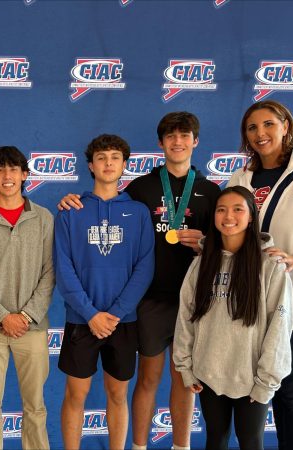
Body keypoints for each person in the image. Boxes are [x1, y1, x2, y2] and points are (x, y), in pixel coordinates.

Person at [59, 112, 220, 449]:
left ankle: (181, 445)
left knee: (184, 378)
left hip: (192, 300)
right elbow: (69, 262)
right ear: (161, 143)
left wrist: (206, 241)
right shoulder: (139, 190)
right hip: (144, 303)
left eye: (184, 135)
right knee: (144, 378)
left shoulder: (210, 191)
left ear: (195, 141)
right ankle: (139, 445)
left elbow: (224, 243)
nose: (177, 141)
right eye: (170, 136)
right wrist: (94, 313)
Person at [228, 100, 293, 450]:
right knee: (255, 399)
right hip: (251, 306)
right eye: (252, 128)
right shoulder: (240, 178)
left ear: (286, 126)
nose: (260, 134)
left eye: (268, 124)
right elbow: (231, 229)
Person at [173, 186, 293, 450]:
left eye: (238, 209)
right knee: (215, 439)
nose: (229, 216)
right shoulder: (202, 263)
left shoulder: (270, 265)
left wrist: (266, 381)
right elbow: (186, 315)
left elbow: (279, 327)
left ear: (251, 216)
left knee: (251, 441)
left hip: (251, 378)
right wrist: (185, 367)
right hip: (208, 373)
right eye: (221, 210)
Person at [55, 134, 155, 450]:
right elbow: (63, 268)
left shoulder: (138, 212)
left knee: (117, 394)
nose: (108, 162)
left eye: (114, 157)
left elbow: (144, 267)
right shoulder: (70, 210)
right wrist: (90, 314)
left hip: (122, 322)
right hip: (81, 320)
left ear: (125, 165)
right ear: (91, 165)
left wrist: (114, 313)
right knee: (76, 395)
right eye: (101, 157)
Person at [0, 146, 54, 450]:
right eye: (0, 170)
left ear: (25, 175)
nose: (7, 176)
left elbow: (49, 274)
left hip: (33, 327)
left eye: (14, 169)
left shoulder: (43, 218)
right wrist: (3, 316)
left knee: (36, 408)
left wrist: (25, 316)